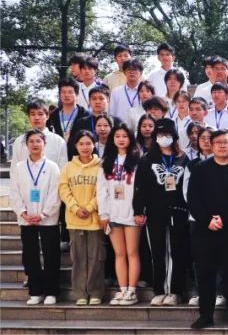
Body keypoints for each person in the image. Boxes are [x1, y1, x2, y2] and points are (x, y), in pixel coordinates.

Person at [187, 129, 228, 330]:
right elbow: (193, 199)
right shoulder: (200, 169)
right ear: (211, 146)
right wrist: (208, 220)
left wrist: (225, 219)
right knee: (205, 274)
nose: (222, 145)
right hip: (205, 231)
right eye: (218, 142)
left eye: (226, 142)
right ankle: (206, 315)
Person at [132, 119, 191, 306]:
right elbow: (140, 187)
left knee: (176, 252)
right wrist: (138, 210)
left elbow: (188, 187)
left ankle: (175, 291)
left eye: (167, 135)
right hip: (155, 212)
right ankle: (159, 290)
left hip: (178, 212)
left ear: (174, 136)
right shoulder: (147, 160)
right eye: (159, 135)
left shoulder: (184, 159)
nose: (163, 138)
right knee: (157, 252)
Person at [11, 130, 63, 305]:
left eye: (38, 141)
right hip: (26, 218)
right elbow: (14, 192)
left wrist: (43, 213)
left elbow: (55, 193)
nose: (35, 144)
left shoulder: (52, 166)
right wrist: (22, 212)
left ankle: (51, 292)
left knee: (51, 254)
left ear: (44, 144)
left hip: (48, 218)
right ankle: (35, 291)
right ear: (26, 145)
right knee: (30, 255)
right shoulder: (19, 167)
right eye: (31, 141)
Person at [96, 124, 142, 306]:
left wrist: (140, 211)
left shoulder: (138, 160)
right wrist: (103, 214)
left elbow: (142, 189)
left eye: (125, 136)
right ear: (112, 139)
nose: (121, 139)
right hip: (113, 214)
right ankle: (123, 290)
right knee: (119, 254)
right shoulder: (105, 162)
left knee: (132, 253)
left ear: (130, 139)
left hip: (132, 213)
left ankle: (132, 291)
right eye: (117, 136)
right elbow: (101, 191)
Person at [59, 131, 105, 305]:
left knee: (96, 258)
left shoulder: (101, 166)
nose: (85, 147)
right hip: (74, 219)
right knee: (78, 258)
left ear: (94, 145)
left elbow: (103, 190)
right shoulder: (68, 167)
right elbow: (64, 189)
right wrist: (75, 208)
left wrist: (90, 207)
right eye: (81, 144)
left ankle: (95, 292)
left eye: (88, 143)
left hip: (95, 220)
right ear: (76, 146)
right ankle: (80, 293)